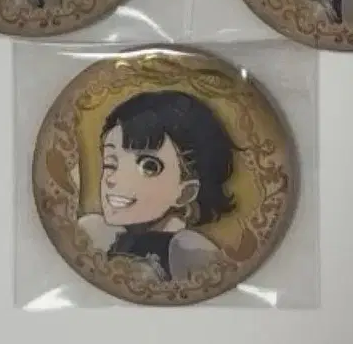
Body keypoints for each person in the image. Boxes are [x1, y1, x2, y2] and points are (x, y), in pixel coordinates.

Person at [78, 91, 237, 282]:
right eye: (110, 164)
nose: (112, 179)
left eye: (148, 167)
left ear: (186, 192)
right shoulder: (103, 234)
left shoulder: (188, 249)